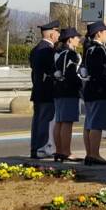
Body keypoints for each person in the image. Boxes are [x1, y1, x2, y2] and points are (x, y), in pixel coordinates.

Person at [81, 21, 106, 166]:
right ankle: (94, 154)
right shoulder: (98, 49)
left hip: (90, 89)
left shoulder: (89, 49)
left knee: (89, 123)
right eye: (105, 31)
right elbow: (100, 72)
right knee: (96, 124)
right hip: (99, 90)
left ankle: (90, 153)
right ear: (99, 33)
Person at [29, 20, 60, 160]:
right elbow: (52, 71)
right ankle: (42, 147)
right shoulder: (48, 50)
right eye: (57, 32)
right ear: (52, 33)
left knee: (37, 120)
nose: (59, 34)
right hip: (47, 90)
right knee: (46, 120)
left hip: (38, 90)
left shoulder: (35, 49)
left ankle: (35, 148)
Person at [52, 27, 83, 162]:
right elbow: (71, 74)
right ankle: (66, 151)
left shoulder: (57, 52)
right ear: (70, 39)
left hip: (57, 89)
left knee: (59, 121)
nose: (79, 39)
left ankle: (58, 151)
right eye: (76, 37)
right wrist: (81, 83)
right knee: (67, 122)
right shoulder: (70, 54)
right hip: (68, 91)